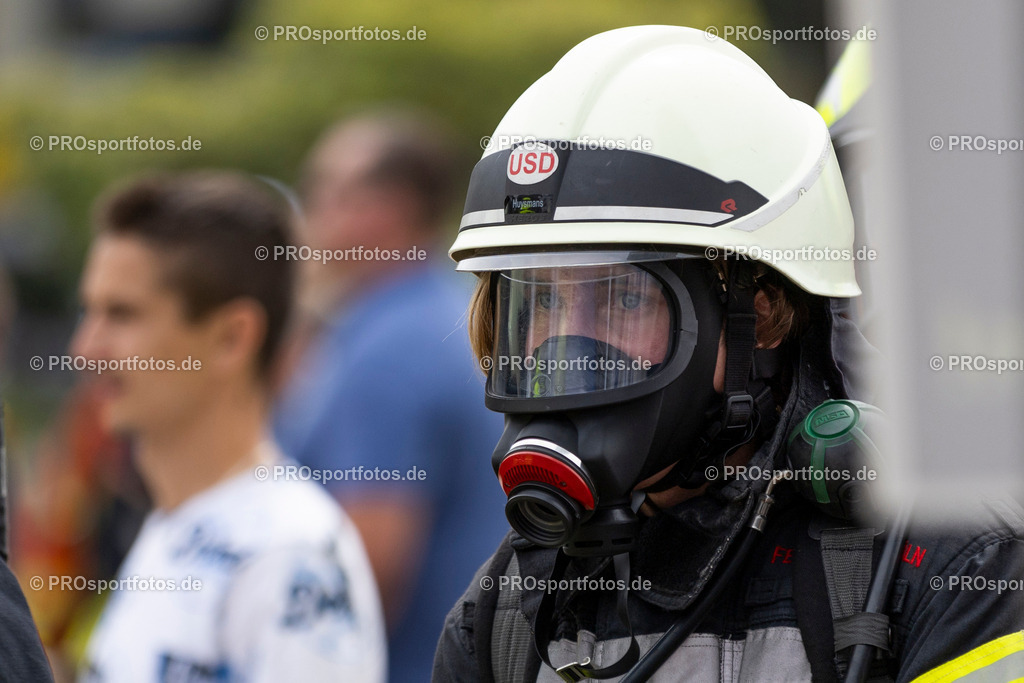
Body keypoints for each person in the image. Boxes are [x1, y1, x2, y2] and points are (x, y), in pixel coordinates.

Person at [433, 26, 1024, 683]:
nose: (570, 346)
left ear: (761, 314)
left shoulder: (948, 563)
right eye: (540, 302)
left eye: (623, 300)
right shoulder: (508, 611)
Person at [73, 171, 386, 682]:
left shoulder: (291, 553)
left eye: (122, 314)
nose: (85, 348)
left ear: (232, 339)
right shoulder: (173, 521)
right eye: (89, 312)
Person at [273, 111, 507, 682]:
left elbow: (366, 572)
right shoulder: (447, 310)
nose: (310, 212)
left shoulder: (391, 348)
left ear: (389, 208)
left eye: (326, 190)